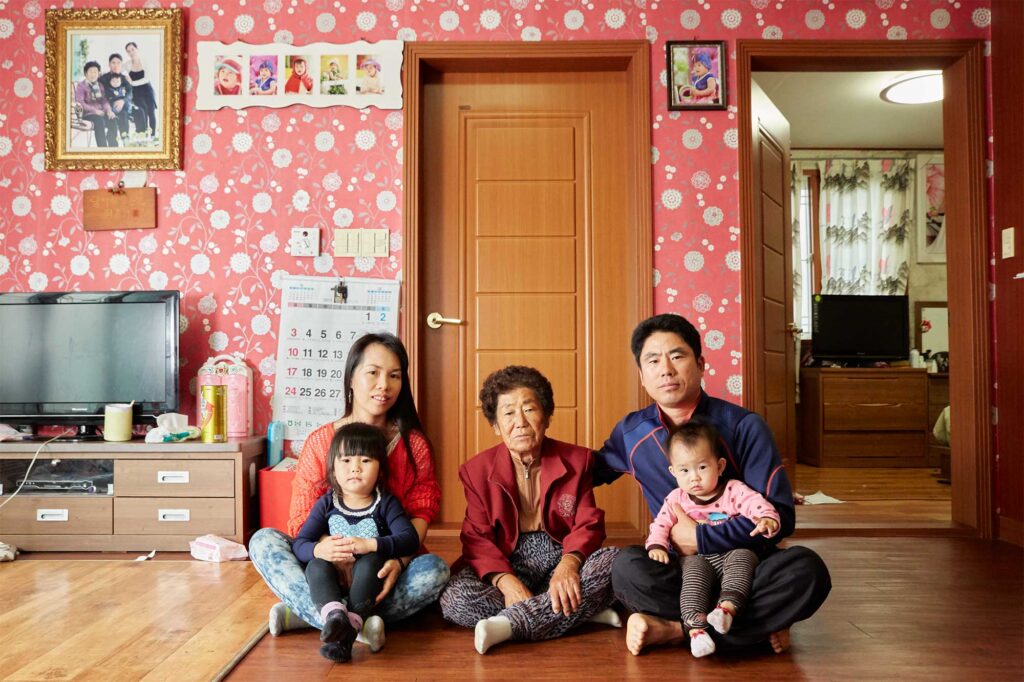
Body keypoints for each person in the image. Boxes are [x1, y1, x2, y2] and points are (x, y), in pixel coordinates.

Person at [594, 313, 831, 656]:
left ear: (701, 363)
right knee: (627, 567)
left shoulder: (743, 426)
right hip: (684, 572)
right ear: (641, 375)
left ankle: (678, 630)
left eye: (677, 356)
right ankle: (749, 628)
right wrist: (526, 454)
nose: (666, 369)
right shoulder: (632, 433)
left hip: (747, 565)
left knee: (807, 571)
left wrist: (702, 537)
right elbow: (585, 470)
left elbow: (781, 516)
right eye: (653, 360)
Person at [249, 333, 448, 650]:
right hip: (323, 566)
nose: (384, 385)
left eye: (394, 376)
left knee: (434, 570)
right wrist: (327, 548)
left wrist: (400, 560)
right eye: (373, 372)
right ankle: (359, 623)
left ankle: (317, 616)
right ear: (351, 378)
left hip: (382, 569)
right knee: (262, 541)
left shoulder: (414, 446)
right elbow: (300, 520)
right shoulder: (320, 442)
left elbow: (421, 513)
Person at [439, 366, 620, 654]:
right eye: (508, 413)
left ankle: (510, 625)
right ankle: (572, 612)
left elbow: (588, 522)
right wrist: (507, 582)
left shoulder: (578, 460)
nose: (520, 422)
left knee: (615, 563)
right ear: (496, 425)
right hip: (506, 557)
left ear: (546, 416)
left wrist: (569, 565)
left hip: (559, 551)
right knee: (455, 600)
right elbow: (476, 538)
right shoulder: (475, 471)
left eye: (529, 409)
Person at [645, 421, 780, 658]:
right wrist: (657, 545)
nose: (694, 478)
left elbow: (755, 504)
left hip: (730, 552)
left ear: (719, 466)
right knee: (692, 580)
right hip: (697, 559)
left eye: (702, 467)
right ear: (673, 472)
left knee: (744, 557)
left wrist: (766, 519)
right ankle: (696, 630)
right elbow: (661, 524)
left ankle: (726, 609)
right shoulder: (676, 498)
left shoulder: (733, 490)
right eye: (684, 471)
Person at [294, 422, 421, 662]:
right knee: (316, 565)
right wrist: (320, 549)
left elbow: (410, 540)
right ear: (333, 468)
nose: (355, 468)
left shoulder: (386, 504)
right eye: (346, 461)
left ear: (380, 470)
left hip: (368, 588)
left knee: (371, 562)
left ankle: (347, 633)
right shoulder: (327, 504)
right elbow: (300, 543)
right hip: (332, 582)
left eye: (365, 460)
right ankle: (334, 616)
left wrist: (371, 544)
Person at [73, 61, 118, 147]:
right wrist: (95, 111)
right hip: (87, 113)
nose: (93, 74)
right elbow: (80, 102)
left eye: (95, 72)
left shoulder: (100, 85)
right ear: (86, 73)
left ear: (98, 73)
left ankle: (113, 148)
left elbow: (104, 100)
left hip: (100, 112)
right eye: (90, 71)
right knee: (99, 121)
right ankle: (103, 150)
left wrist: (109, 110)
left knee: (113, 119)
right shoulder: (81, 86)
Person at [124, 42, 157, 140]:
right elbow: (117, 69)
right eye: (128, 51)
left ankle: (153, 136)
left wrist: (132, 82)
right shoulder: (127, 64)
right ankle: (144, 135)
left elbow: (146, 79)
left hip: (147, 90)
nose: (131, 52)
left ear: (137, 49)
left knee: (151, 111)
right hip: (136, 93)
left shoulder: (145, 61)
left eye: (132, 49)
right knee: (143, 111)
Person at [98, 53, 133, 144]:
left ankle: (131, 145)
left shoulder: (124, 78)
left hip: (122, 107)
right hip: (108, 108)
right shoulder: (102, 79)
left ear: (121, 65)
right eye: (113, 63)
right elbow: (101, 96)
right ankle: (113, 150)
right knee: (114, 119)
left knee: (138, 112)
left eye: (118, 63)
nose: (116, 65)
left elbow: (130, 92)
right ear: (109, 64)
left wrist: (123, 100)